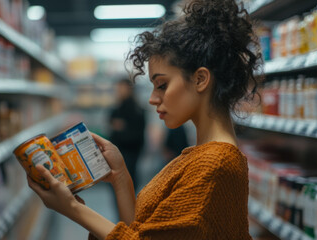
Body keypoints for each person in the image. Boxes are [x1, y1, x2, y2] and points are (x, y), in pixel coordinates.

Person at [27, 0, 261, 239]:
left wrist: (72, 208)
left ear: (201, 79)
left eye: (162, 85)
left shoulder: (215, 163)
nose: (152, 98)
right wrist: (120, 178)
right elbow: (140, 231)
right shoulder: (200, 156)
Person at [109, 78, 145, 189]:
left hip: (130, 153)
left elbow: (136, 135)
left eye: (121, 87)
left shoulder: (136, 110)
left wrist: (121, 129)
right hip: (119, 152)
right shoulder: (117, 109)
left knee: (127, 183)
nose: (118, 90)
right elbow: (112, 124)